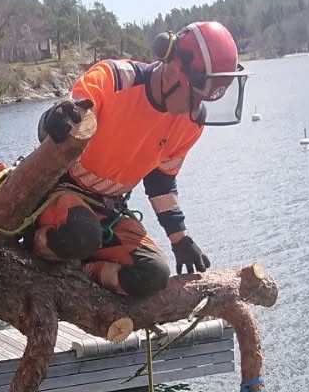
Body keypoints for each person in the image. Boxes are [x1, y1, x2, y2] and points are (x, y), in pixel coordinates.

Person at [30, 21, 247, 297]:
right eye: (192, 98)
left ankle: (83, 271)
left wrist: (179, 238)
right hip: (60, 191)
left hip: (108, 208)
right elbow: (58, 125)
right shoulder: (114, 79)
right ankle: (37, 247)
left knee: (153, 273)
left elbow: (161, 181)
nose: (194, 109)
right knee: (83, 232)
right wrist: (55, 117)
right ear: (173, 71)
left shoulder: (191, 122)